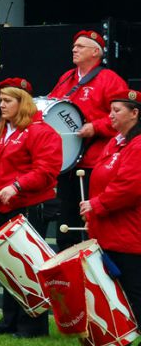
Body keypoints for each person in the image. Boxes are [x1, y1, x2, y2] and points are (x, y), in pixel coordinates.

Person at [0, 78, 62, 338]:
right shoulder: (0, 131)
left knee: (29, 265)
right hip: (4, 206)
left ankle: (33, 325)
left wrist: (17, 185)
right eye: (0, 100)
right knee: (6, 264)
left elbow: (47, 169)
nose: (1, 105)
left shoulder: (41, 132)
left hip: (29, 205)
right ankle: (9, 320)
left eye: (7, 100)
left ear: (22, 102)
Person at [49, 30, 128, 251]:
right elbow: (52, 106)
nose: (74, 49)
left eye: (80, 46)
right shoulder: (67, 77)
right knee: (66, 221)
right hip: (68, 162)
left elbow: (124, 116)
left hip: (94, 162)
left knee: (90, 221)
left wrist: (96, 127)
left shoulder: (110, 79)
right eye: (74, 46)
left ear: (96, 52)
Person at [80, 89, 141, 346]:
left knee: (135, 293)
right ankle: (118, 345)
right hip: (109, 231)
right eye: (110, 110)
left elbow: (129, 187)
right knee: (117, 293)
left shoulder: (137, 145)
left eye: (117, 110)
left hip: (129, 233)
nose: (111, 116)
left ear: (134, 113)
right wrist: (92, 213)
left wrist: (97, 205)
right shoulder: (116, 142)